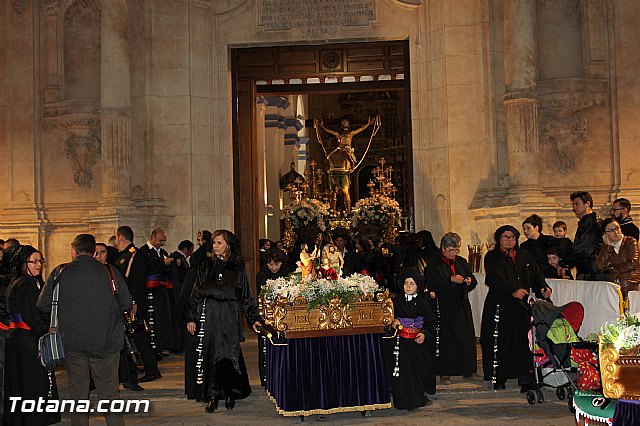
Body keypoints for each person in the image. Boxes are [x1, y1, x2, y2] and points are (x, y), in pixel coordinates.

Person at [38, 234, 132, 426]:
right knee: (110, 396)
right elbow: (126, 303)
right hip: (107, 343)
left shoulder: (61, 272)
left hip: (74, 343)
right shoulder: (110, 272)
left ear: (74, 251)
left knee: (78, 396)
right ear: (94, 252)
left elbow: (43, 305)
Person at [186, 230, 262, 413]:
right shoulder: (205, 265)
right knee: (211, 355)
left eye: (219, 243)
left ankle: (229, 393)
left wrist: (254, 318)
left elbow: (246, 295)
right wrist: (191, 317)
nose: (215, 246)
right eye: (213, 243)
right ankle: (213, 396)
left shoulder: (236, 266)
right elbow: (196, 292)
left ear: (227, 245)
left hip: (229, 314)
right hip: (210, 313)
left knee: (228, 355)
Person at [480, 225, 552, 392]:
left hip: (521, 306)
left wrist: (543, 287)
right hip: (500, 304)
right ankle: (499, 377)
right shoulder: (492, 257)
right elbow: (495, 279)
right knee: (501, 341)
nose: (509, 240)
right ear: (499, 239)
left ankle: (525, 378)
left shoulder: (524, 255)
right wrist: (513, 290)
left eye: (512, 237)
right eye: (505, 237)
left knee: (523, 341)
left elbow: (536, 274)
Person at [5, 245, 61, 426]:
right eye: (34, 261)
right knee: (31, 383)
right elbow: (31, 316)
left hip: (28, 338)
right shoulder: (23, 283)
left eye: (40, 261)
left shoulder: (33, 282)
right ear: (24, 263)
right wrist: (47, 328)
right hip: (26, 339)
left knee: (35, 381)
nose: (38, 265)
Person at [424, 232, 480, 385]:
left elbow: (472, 279)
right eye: (450, 250)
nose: (453, 253)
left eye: (456, 250)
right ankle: (445, 372)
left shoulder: (461, 261)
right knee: (447, 340)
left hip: (461, 305)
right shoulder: (434, 263)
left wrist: (469, 280)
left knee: (466, 338)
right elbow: (432, 282)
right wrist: (450, 279)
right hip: (444, 306)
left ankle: (468, 369)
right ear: (443, 248)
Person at [112, 226, 161, 384]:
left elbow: (137, 282)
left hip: (135, 302)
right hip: (130, 301)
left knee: (139, 335)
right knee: (136, 336)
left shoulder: (135, 255)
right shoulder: (125, 255)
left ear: (120, 237)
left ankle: (152, 370)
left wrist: (133, 302)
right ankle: (140, 368)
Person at [388, 269, 436, 410]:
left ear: (418, 286)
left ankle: (417, 399)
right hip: (401, 343)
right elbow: (387, 320)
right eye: (406, 283)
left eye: (412, 284)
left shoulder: (423, 303)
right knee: (401, 372)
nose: (408, 286)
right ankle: (400, 400)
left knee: (417, 371)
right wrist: (393, 322)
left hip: (417, 344)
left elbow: (431, 323)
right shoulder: (395, 301)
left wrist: (425, 334)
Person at [314, 116, 376, 213]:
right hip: (341, 154)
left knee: (340, 189)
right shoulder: (338, 135)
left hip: (346, 152)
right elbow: (330, 131)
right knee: (330, 158)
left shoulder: (350, 134)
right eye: (343, 124)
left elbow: (361, 129)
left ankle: (342, 209)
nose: (345, 125)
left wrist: (368, 124)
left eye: (346, 124)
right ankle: (338, 210)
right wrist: (321, 126)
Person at [255, 248, 292, 386]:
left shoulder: (288, 273)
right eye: (271, 265)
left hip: (285, 315)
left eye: (277, 264)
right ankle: (266, 378)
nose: (274, 268)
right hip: (268, 314)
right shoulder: (261, 275)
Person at [137, 228, 175, 357]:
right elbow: (148, 268)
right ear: (153, 237)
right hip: (150, 291)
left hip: (161, 290)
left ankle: (160, 346)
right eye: (160, 240)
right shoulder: (143, 252)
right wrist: (162, 263)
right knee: (152, 320)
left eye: (164, 241)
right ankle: (152, 349)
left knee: (161, 320)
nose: (162, 243)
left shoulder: (162, 251)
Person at [595, 218, 640, 298]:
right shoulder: (606, 246)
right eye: (611, 230)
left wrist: (611, 268)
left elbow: (632, 263)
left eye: (617, 228)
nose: (616, 232)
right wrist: (608, 248)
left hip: (630, 284)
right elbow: (600, 266)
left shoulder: (630, 241)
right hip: (614, 287)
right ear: (605, 234)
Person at [564, 191, 602, 280]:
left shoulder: (592, 223)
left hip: (592, 272)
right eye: (573, 205)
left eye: (577, 204)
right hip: (587, 270)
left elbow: (585, 249)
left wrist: (565, 264)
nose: (574, 208)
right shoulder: (586, 222)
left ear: (587, 204)